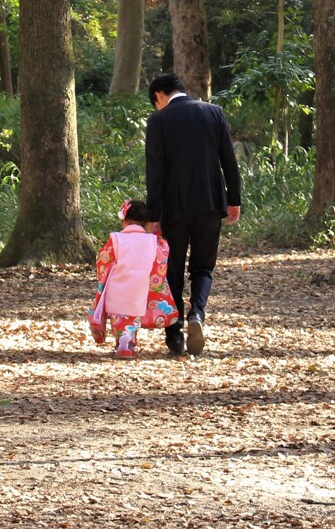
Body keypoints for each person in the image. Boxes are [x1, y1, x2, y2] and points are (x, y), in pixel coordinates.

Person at [145, 72, 242, 357]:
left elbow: (156, 173)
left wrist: (154, 215)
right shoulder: (213, 113)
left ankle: (174, 333)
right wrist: (234, 199)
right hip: (211, 203)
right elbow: (229, 161)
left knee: (172, 270)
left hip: (174, 208)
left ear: (160, 96)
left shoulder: (159, 121)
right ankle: (196, 314)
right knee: (203, 267)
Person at [91, 199, 159, 360]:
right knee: (133, 317)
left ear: (125, 220)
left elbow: (104, 259)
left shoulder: (116, 239)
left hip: (118, 287)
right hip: (139, 288)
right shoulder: (152, 241)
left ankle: (122, 342)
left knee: (119, 317)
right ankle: (129, 343)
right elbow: (158, 263)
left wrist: (102, 276)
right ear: (146, 222)